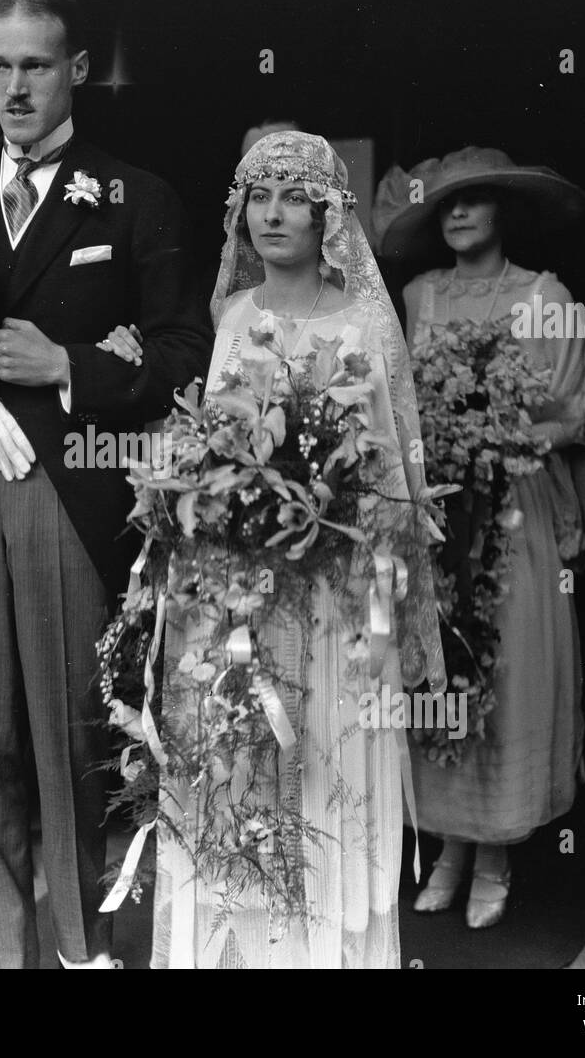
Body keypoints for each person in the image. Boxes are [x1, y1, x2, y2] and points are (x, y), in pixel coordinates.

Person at [0, 0, 213, 969]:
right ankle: (5, 949)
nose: (14, 87)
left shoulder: (135, 194)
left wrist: (68, 364)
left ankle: (83, 953)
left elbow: (181, 351)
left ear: (76, 69)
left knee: (72, 742)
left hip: (73, 496)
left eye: (35, 64)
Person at [104, 131, 445, 968]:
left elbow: (399, 469)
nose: (274, 214)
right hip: (233, 598)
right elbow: (201, 450)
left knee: (322, 770)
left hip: (332, 601)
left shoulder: (367, 319)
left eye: (294, 196)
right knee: (235, 766)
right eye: (260, 196)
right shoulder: (231, 319)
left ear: (329, 214)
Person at [372, 146, 585, 928]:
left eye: (473, 201)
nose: (458, 215)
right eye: (445, 205)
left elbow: (578, 415)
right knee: (441, 671)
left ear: (502, 211)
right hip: (441, 516)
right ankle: (449, 845)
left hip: (515, 515)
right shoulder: (417, 298)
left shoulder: (546, 296)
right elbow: (391, 405)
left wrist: (500, 432)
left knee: (506, 673)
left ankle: (498, 852)